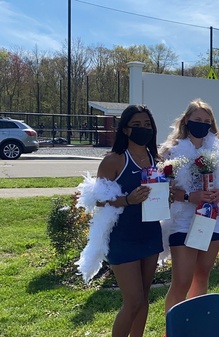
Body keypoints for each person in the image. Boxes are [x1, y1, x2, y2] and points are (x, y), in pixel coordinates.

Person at [77, 104, 163, 337]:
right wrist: (127, 200)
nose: (143, 129)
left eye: (147, 125)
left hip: (150, 233)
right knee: (133, 301)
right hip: (122, 237)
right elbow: (98, 201)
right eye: (137, 125)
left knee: (144, 298)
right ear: (125, 130)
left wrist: (168, 195)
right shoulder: (114, 160)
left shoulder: (156, 158)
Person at [159, 100, 219, 316]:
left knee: (202, 275)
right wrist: (188, 196)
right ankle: (172, 329)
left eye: (206, 121)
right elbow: (160, 191)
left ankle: (193, 324)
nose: (202, 124)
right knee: (181, 281)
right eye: (197, 120)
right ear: (186, 121)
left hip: (212, 220)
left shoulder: (217, 149)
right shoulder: (170, 151)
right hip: (183, 221)